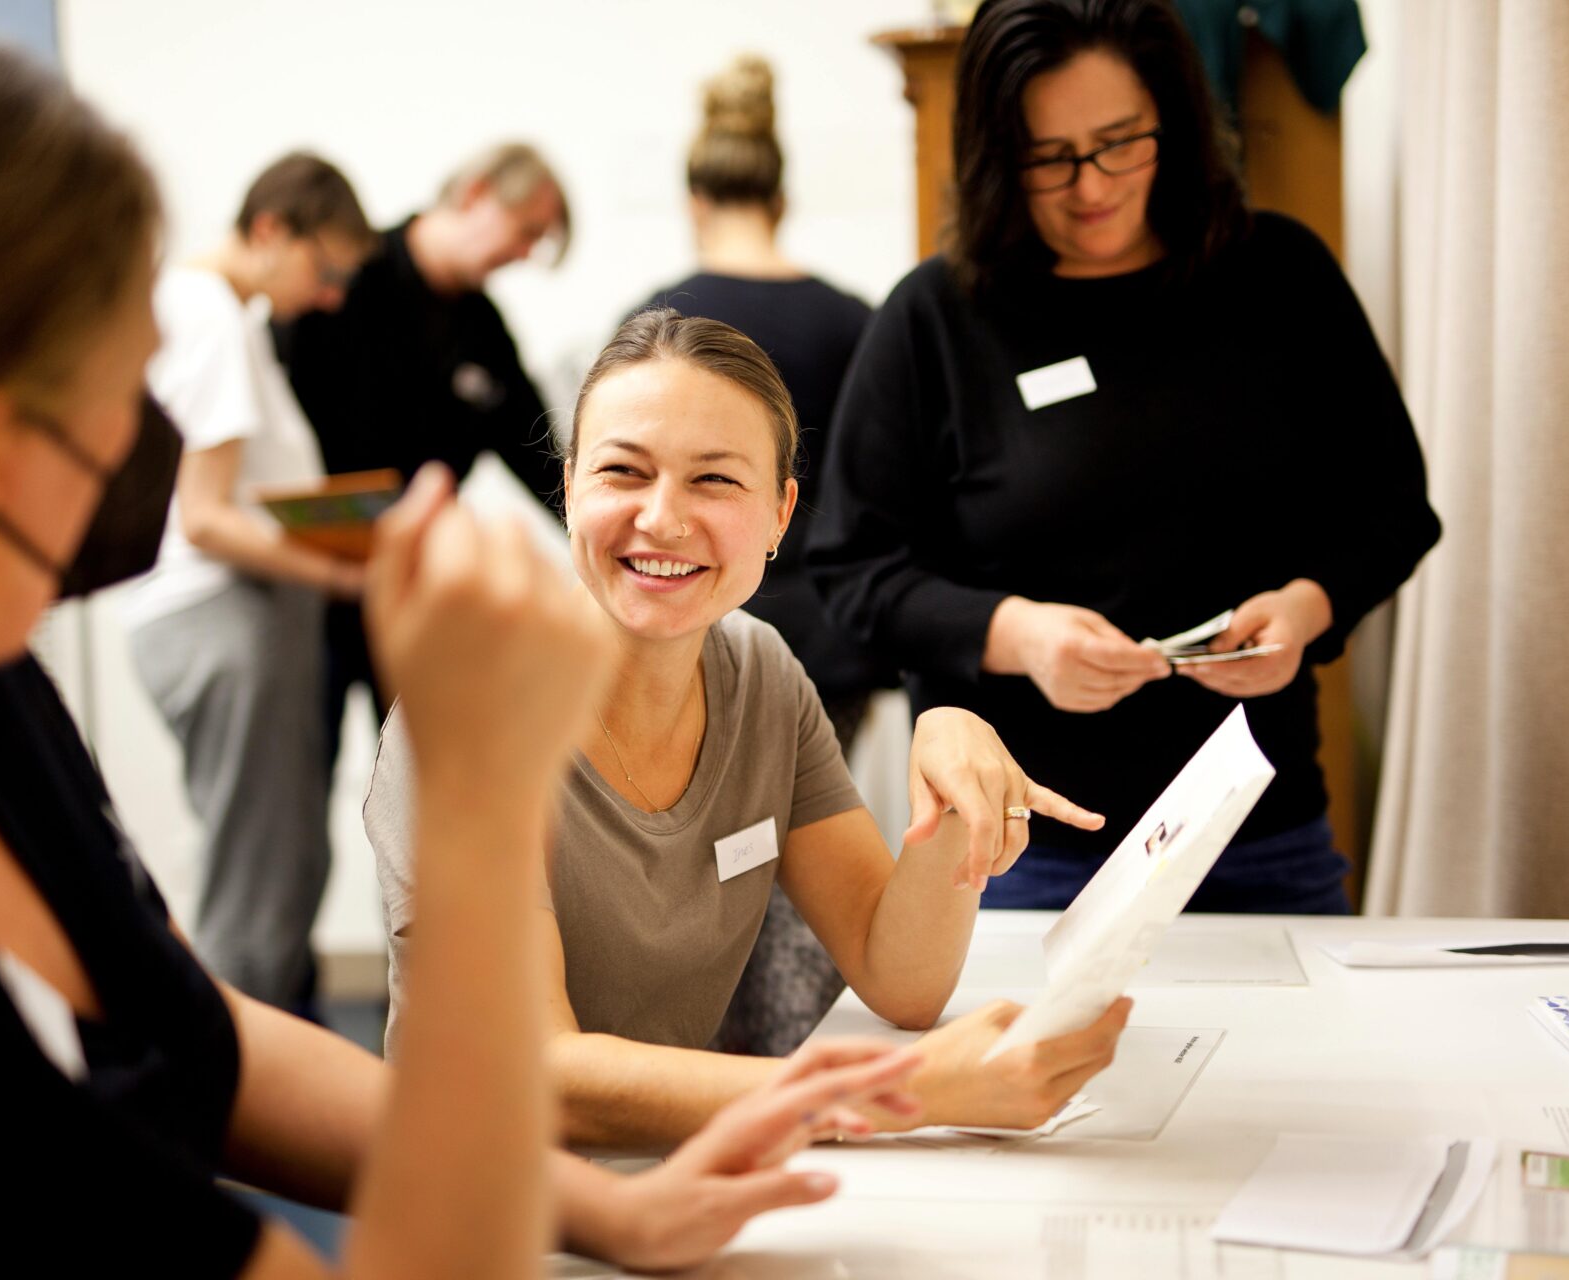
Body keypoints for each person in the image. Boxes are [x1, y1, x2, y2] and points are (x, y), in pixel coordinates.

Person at [0, 36, 932, 1276]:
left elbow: (205, 1041)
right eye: (126, 389)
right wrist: (481, 805)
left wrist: (604, 1210)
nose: (147, 441)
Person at [370, 309, 1133, 1149]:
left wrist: (953, 754)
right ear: (571, 485)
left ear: (780, 514)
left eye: (715, 480)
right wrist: (902, 1090)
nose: (662, 519)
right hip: (483, 1225)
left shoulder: (759, 675)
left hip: (680, 1195)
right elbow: (538, 1076)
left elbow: (898, 977)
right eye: (623, 471)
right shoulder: (468, 711)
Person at [807, 0, 1441, 913]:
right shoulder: (937, 317)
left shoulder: (1281, 276)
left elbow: (1392, 509)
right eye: (1050, 156)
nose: (1092, 186)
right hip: (1018, 845)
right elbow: (853, 569)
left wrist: (1307, 609)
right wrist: (1018, 636)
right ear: (995, 152)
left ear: (1173, 124)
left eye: (1119, 143)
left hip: (1258, 834)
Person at [635, 54, 896, 1057]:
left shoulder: (664, 319)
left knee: (707, 877)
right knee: (802, 878)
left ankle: (738, 1082)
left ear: (693, 195)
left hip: (696, 638)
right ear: (782, 192)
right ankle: (791, 1077)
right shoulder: (854, 319)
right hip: (829, 638)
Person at [116, 153, 381, 1011]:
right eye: (327, 269)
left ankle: (270, 1100)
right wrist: (345, 577)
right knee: (258, 891)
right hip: (225, 619)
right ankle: (244, 1122)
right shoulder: (209, 317)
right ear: (271, 230)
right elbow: (206, 518)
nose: (334, 295)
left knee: (281, 868)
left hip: (235, 621)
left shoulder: (223, 316)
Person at [277, 142, 573, 768]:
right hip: (311, 593)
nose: (524, 255)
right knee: (294, 799)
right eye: (525, 233)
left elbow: (541, 458)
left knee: (428, 787)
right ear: (475, 195)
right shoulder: (344, 280)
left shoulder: (483, 329)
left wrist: (610, 532)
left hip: (412, 595)